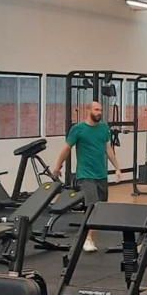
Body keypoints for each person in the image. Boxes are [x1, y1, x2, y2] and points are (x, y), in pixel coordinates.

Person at [50, 100, 119, 253]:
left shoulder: (104, 128)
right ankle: (88, 239)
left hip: (101, 175)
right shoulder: (78, 129)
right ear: (88, 110)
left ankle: (88, 236)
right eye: (96, 110)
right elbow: (66, 148)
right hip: (85, 175)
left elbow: (108, 149)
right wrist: (57, 166)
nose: (99, 112)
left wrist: (117, 168)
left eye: (100, 110)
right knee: (92, 206)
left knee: (100, 209)